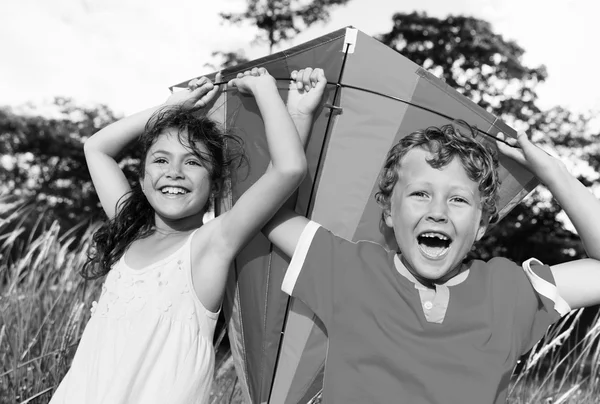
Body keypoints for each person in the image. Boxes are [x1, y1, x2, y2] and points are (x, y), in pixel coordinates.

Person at [263, 118, 600, 403]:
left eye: (457, 199)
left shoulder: (507, 292)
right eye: (420, 194)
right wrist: (299, 113)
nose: (437, 212)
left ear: (481, 225)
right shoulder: (350, 269)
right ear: (389, 212)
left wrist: (556, 174)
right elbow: (263, 208)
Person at [49, 66, 327, 404]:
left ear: (216, 185)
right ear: (141, 179)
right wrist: (172, 107)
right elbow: (96, 147)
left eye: (193, 162)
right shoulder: (130, 232)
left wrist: (275, 97)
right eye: (161, 160)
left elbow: (287, 169)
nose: (174, 173)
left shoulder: (210, 245)